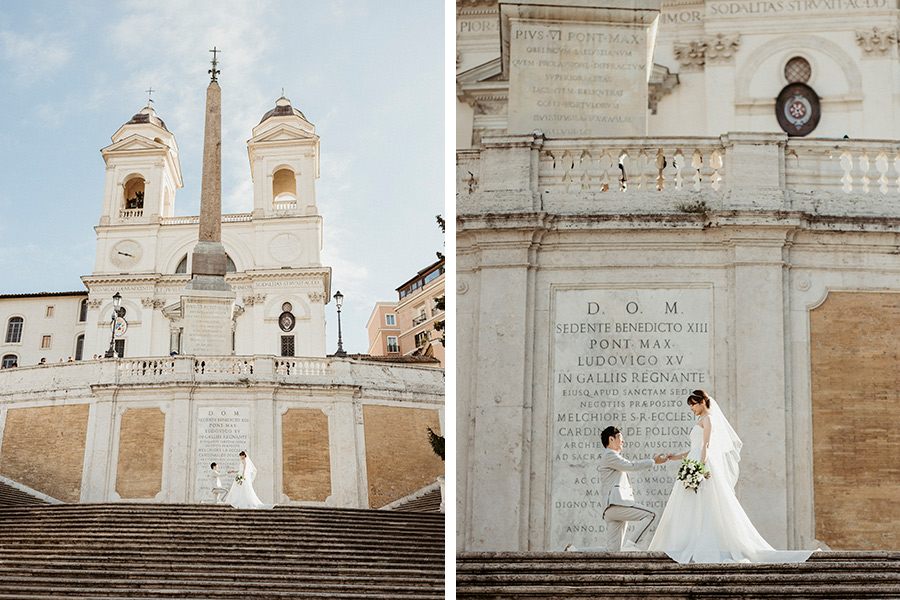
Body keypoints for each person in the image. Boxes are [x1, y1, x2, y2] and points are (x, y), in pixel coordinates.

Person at [649, 390, 815, 563]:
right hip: (694, 461)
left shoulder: (709, 419)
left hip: (700, 464)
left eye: (693, 404)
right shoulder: (701, 420)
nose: (691, 408)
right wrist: (674, 457)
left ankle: (703, 543)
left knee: (707, 503)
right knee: (689, 503)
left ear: (703, 402)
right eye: (690, 405)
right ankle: (686, 541)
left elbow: (706, 444)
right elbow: (695, 448)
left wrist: (700, 466)